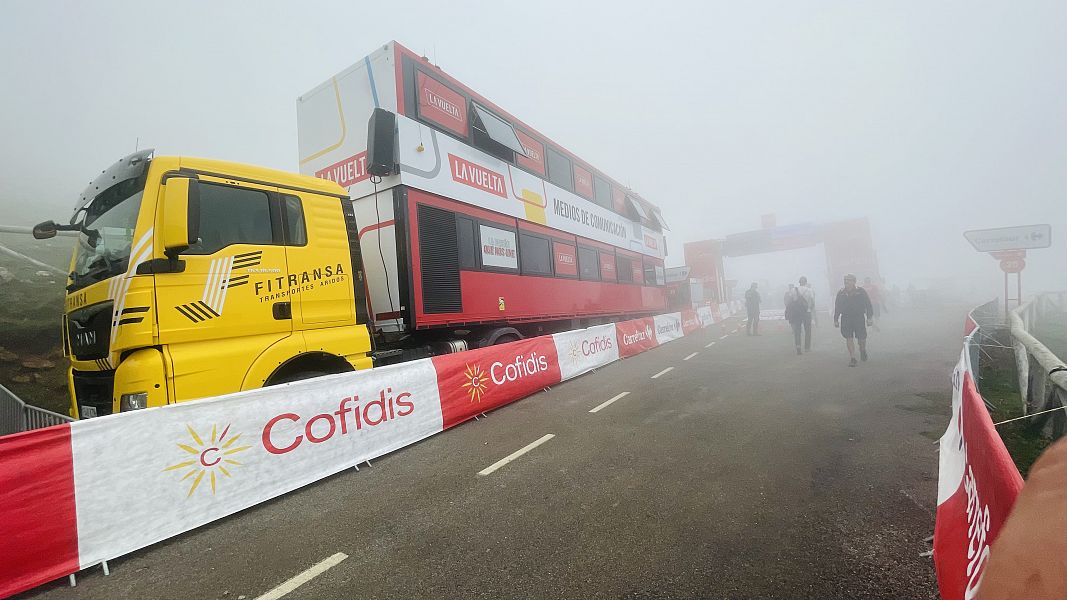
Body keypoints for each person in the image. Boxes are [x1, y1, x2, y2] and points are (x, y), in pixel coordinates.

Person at [833, 273, 873, 367]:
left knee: (861, 338)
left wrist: (869, 317)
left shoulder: (860, 291)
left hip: (858, 317)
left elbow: (868, 304)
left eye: (849, 280)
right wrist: (836, 319)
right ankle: (853, 358)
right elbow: (837, 307)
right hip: (846, 318)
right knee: (849, 337)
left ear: (854, 282)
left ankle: (862, 350)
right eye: (845, 280)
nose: (846, 282)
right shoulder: (841, 293)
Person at [784, 285, 810, 355]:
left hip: (796, 317)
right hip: (803, 315)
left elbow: (788, 307)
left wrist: (788, 316)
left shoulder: (791, 300)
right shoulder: (801, 298)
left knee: (797, 332)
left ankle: (798, 347)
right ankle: (807, 347)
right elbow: (806, 306)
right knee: (806, 330)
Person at [797, 275, 815, 349]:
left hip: (797, 313)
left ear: (799, 282)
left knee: (798, 330)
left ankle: (798, 346)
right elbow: (813, 301)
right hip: (807, 312)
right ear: (806, 282)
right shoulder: (809, 290)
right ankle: (807, 347)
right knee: (808, 330)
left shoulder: (795, 290)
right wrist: (810, 308)